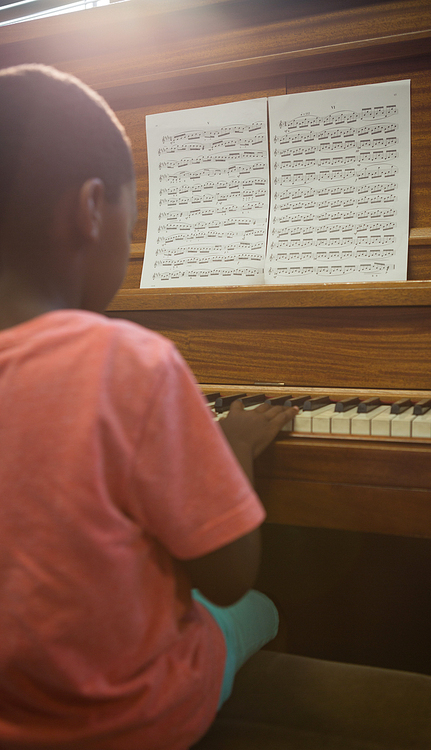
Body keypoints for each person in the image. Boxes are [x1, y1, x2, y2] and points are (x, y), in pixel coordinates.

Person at [0, 64, 297, 750]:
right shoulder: (132, 362)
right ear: (91, 208)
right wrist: (231, 450)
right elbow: (227, 577)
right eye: (135, 226)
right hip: (125, 725)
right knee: (261, 606)